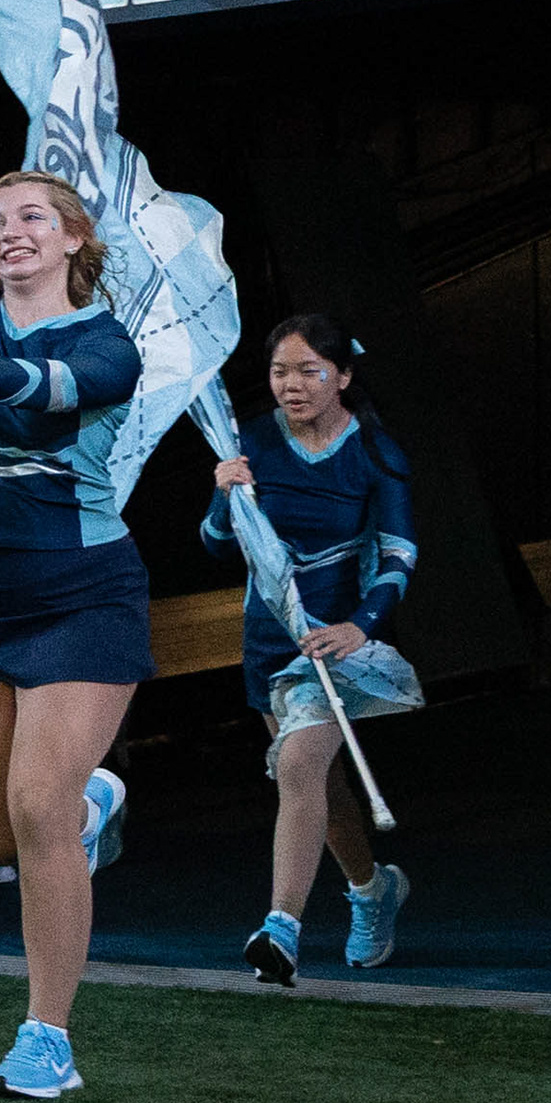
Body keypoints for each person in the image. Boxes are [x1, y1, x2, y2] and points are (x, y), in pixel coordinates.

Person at [0, 0, 146, 1102]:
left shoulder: (109, 344)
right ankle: (93, 798)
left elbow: (45, 392)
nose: (6, 231)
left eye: (30, 218)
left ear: (75, 239)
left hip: (80, 597)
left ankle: (47, 1035)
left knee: (39, 809)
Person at [205, 316, 421, 986]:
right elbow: (217, 543)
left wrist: (360, 625)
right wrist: (223, 496)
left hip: (337, 642)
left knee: (298, 765)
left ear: (344, 377)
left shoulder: (377, 452)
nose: (290, 386)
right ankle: (371, 889)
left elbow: (398, 552)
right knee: (318, 783)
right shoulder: (252, 442)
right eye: (279, 373)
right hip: (270, 636)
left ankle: (282, 928)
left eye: (309, 372)